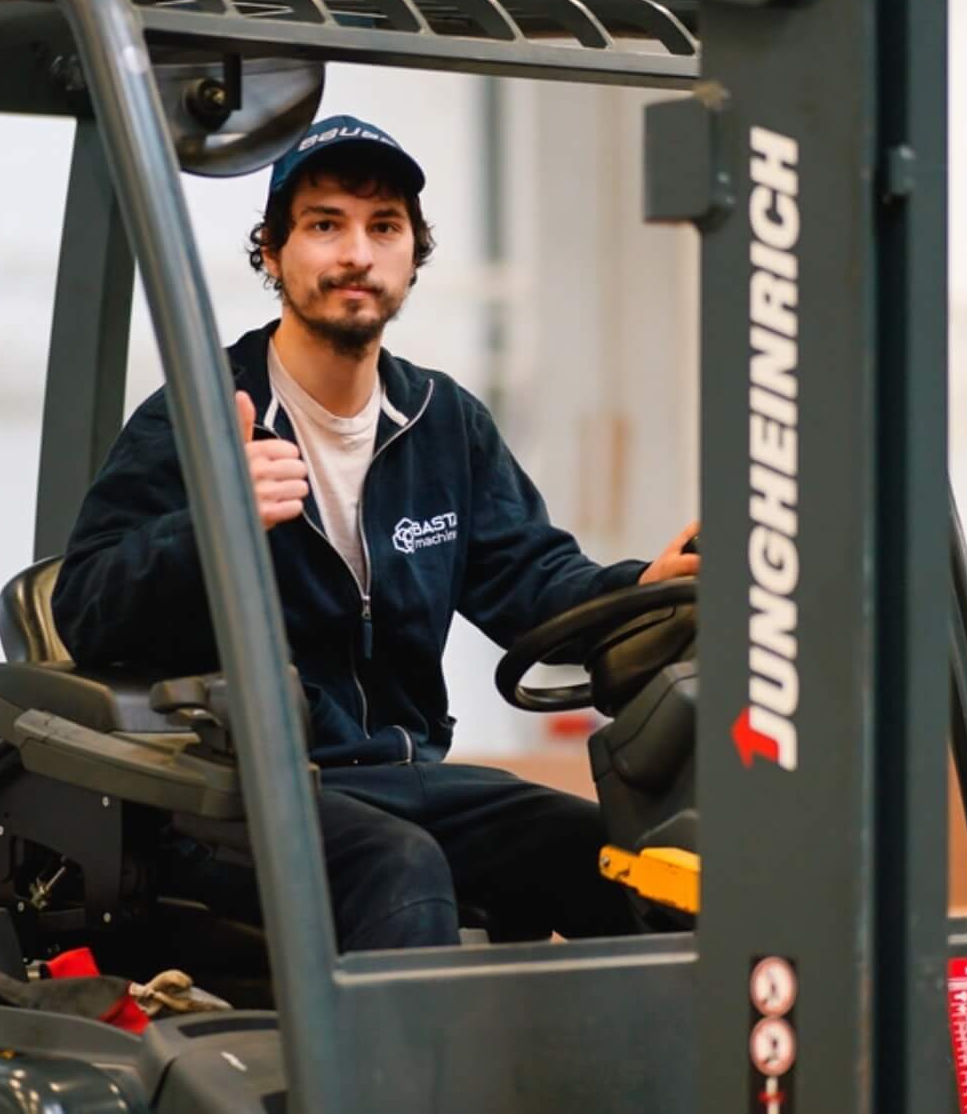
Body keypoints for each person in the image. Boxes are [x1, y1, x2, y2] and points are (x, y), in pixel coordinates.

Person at [51, 114, 699, 951]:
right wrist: (208, 527)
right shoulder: (202, 416)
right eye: (325, 225)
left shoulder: (443, 422)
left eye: (383, 227)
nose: (357, 253)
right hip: (234, 795)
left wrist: (645, 587)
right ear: (274, 252)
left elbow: (535, 586)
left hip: (404, 773)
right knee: (400, 867)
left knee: (625, 866)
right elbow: (85, 608)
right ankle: (413, 1088)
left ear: (410, 256)